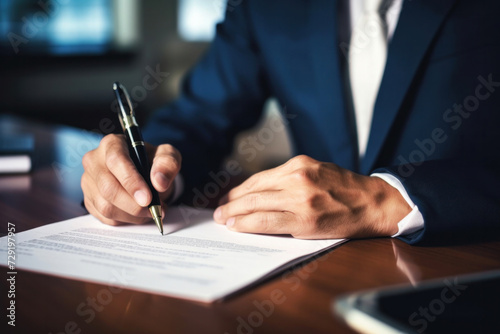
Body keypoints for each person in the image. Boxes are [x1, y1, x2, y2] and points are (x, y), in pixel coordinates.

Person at [81, 0, 500, 246]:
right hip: (317, 278)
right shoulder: (266, 8)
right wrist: (146, 168)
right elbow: (197, 118)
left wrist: (391, 200)